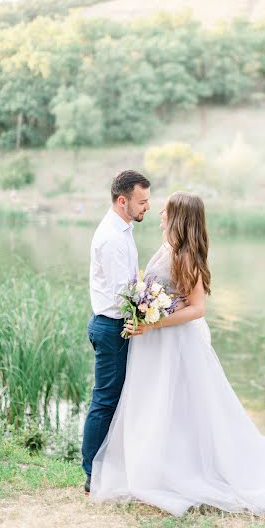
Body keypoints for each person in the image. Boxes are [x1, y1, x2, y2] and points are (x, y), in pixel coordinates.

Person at [90, 191, 265, 517]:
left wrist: (154, 322)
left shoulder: (187, 255)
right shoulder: (167, 248)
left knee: (181, 408)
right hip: (155, 344)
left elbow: (197, 309)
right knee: (158, 406)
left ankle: (184, 472)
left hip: (173, 343)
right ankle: (157, 468)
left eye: (165, 211)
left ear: (178, 217)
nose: (160, 214)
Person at [81, 170, 151, 494]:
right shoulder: (111, 238)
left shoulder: (123, 230)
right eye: (142, 201)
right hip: (111, 328)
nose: (147, 207)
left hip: (117, 325)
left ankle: (109, 467)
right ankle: (91, 474)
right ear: (123, 201)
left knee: (114, 398)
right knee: (105, 400)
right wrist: (151, 313)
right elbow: (123, 293)